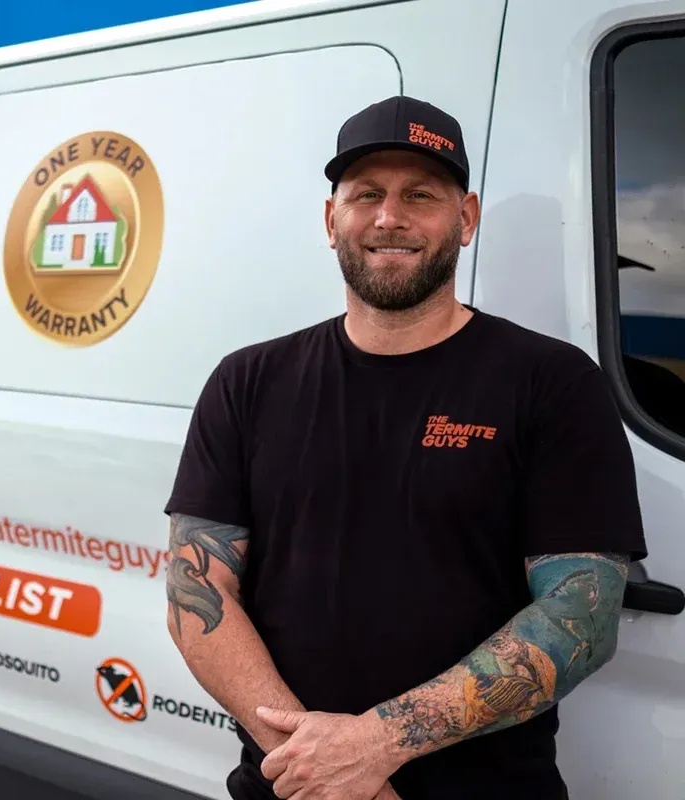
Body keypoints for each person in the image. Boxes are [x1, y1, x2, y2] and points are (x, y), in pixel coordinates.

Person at [163, 95, 648, 800]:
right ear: (333, 221)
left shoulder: (551, 382)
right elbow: (195, 589)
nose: (390, 218)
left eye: (421, 194)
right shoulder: (250, 381)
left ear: (467, 218)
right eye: (367, 195)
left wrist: (374, 746)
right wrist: (318, 769)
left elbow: (584, 614)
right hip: (287, 786)